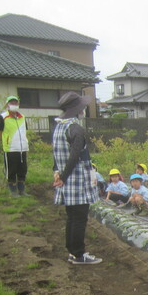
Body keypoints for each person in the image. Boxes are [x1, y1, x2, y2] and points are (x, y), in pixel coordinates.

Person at [52, 91, 101, 264]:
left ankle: (73, 252)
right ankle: (79, 254)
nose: (84, 110)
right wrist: (63, 176)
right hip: (76, 179)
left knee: (72, 217)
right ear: (77, 109)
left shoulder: (59, 127)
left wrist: (57, 173)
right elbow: (75, 156)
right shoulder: (75, 128)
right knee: (80, 218)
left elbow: (57, 154)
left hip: (66, 178)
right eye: (82, 107)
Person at [0, 95, 29, 197]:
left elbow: (24, 131)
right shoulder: (3, 117)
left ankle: (22, 190)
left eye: (15, 103)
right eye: (11, 103)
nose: (14, 105)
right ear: (7, 105)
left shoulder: (22, 117)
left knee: (22, 169)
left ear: (18, 104)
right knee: (11, 170)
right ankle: (13, 191)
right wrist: (5, 142)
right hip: (10, 149)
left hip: (22, 148)